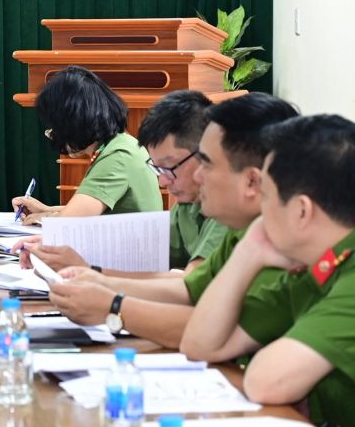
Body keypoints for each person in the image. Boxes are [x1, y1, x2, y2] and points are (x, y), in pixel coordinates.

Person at [45, 93, 297, 349]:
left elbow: (210, 336)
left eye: (207, 165)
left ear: (253, 181)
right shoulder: (245, 231)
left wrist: (112, 306)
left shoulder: (280, 248)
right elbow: (189, 289)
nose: (199, 176)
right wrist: (97, 280)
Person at [181, 114, 355, 424]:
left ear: (301, 211)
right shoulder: (311, 267)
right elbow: (199, 344)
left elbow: (266, 382)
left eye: (267, 197)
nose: (260, 211)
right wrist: (249, 251)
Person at [20, 90, 227, 274]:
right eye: (158, 169)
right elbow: (144, 248)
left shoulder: (227, 209)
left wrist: (90, 271)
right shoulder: (187, 204)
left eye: (170, 167)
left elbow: (189, 288)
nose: (163, 182)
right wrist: (66, 248)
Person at [11, 66, 162, 223]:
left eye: (56, 124)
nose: (54, 132)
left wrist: (46, 217)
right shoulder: (123, 144)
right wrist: (47, 210)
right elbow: (98, 210)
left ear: (72, 122)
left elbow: (70, 222)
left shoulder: (118, 156)